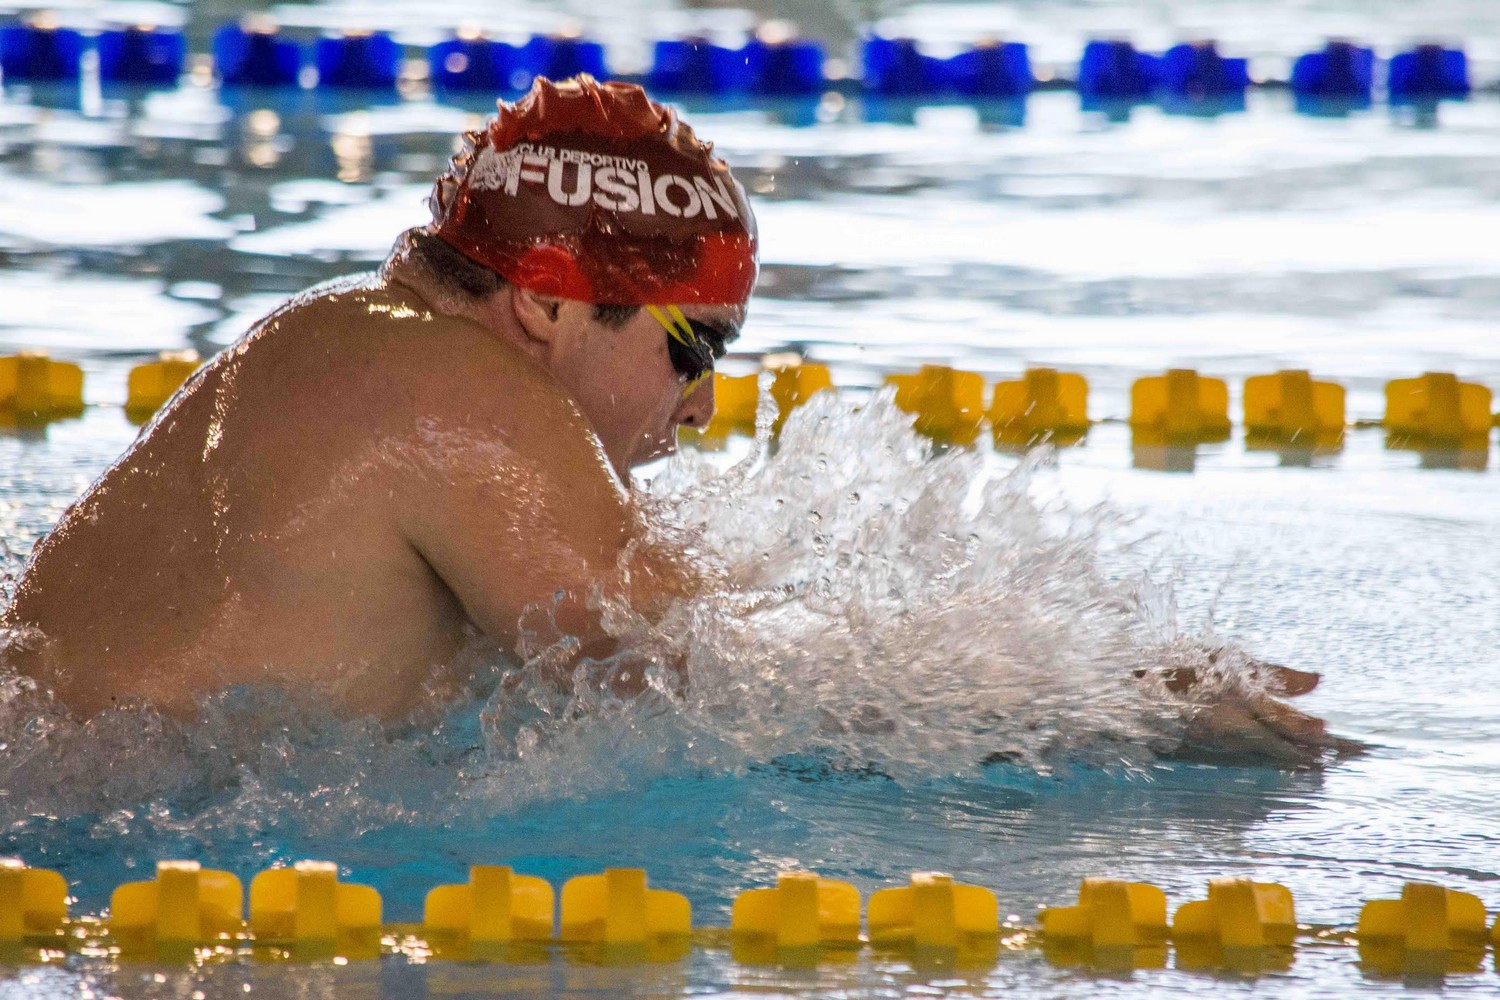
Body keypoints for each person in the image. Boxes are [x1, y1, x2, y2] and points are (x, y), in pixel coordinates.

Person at [0, 77, 1344, 764]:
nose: (703, 404)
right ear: (546, 305)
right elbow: (712, 696)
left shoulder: (330, 342)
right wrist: (1110, 704)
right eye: (691, 347)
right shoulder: (450, 395)